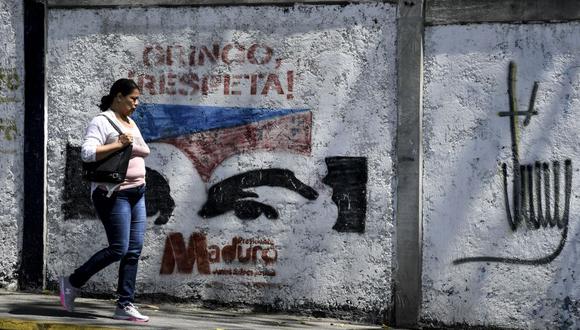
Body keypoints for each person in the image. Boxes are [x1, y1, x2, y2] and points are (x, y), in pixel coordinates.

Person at [59, 78, 151, 322]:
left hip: (137, 191)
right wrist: (118, 144)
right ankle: (72, 282)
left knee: (134, 250)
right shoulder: (101, 121)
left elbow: (144, 149)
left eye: (137, 99)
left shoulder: (130, 122)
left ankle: (124, 304)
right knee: (118, 248)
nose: (137, 103)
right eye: (133, 98)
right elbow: (87, 153)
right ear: (118, 96)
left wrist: (128, 144)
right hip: (114, 193)